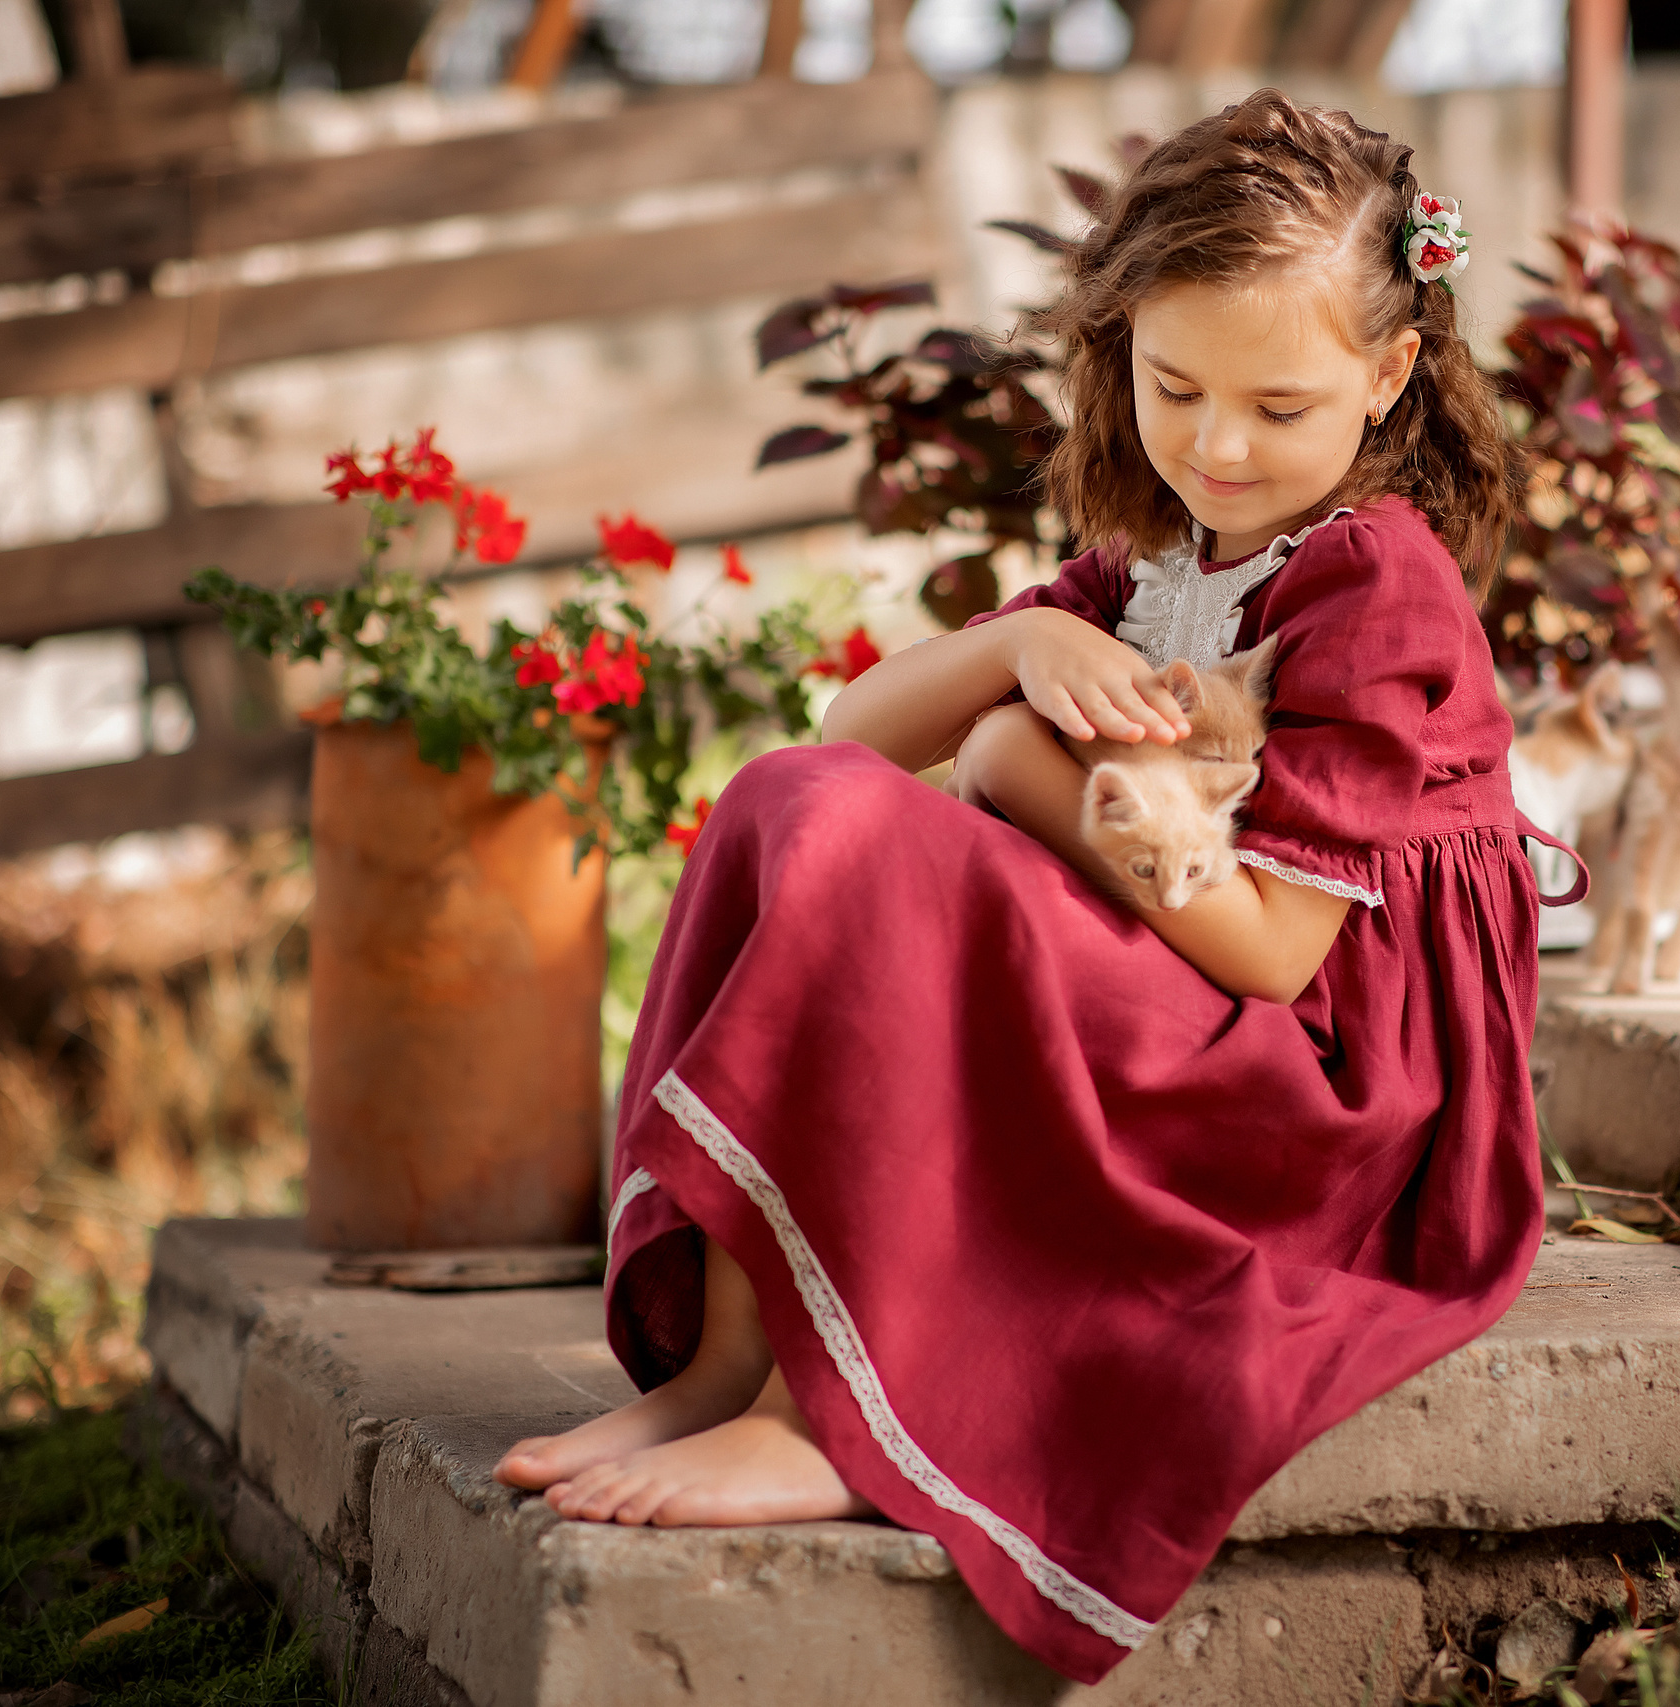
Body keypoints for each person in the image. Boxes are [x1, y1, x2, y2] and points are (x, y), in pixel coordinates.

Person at [493, 87, 1579, 1685]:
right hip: (1183, 978)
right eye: (1175, 386)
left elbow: (1277, 955)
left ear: (1388, 375)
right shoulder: (1160, 562)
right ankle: (733, 1364)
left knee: (892, 856)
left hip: (1311, 1087)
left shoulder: (1373, 580)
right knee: (801, 803)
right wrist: (1025, 646)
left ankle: (830, 1417)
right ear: (1123, 348)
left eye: (1278, 405)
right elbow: (847, 736)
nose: (1217, 445)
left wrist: (1018, 765)